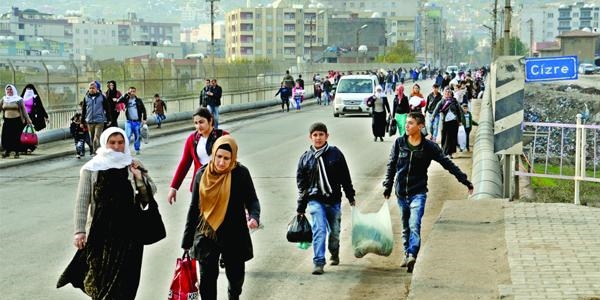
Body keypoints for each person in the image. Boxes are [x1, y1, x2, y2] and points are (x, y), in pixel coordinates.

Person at [57, 127, 157, 299]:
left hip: (129, 236)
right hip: (100, 234)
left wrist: (139, 177)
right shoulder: (91, 168)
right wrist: (79, 231)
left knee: (127, 282)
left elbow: (149, 196)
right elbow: (82, 201)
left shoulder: (132, 164)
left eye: (120, 142)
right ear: (105, 143)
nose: (117, 147)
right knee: (100, 281)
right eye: (112, 143)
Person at [383, 112, 473, 273]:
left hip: (418, 192)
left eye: (410, 123)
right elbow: (391, 165)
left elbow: (447, 163)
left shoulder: (429, 147)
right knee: (405, 226)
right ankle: (406, 253)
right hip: (401, 192)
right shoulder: (399, 143)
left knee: (414, 224)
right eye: (407, 123)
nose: (407, 126)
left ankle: (412, 254)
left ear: (420, 126)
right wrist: (388, 186)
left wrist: (464, 180)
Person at [181, 136, 260, 300]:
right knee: (207, 280)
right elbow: (193, 208)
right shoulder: (202, 174)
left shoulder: (240, 173)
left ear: (233, 158)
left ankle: (233, 296)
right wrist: (187, 242)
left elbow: (252, 199)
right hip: (207, 233)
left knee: (236, 277)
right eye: (219, 157)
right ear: (213, 154)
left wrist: (254, 217)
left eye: (226, 158)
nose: (222, 162)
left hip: (234, 232)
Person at [296, 122, 356, 275]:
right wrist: (301, 207)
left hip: (334, 200)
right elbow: (301, 184)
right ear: (310, 137)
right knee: (319, 229)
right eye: (315, 135)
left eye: (321, 134)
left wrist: (350, 196)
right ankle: (319, 262)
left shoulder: (336, 154)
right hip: (315, 200)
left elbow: (345, 177)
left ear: (327, 136)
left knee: (334, 232)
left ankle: (334, 252)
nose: (318, 138)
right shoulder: (305, 158)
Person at [167, 107, 228, 205]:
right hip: (200, 187)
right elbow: (184, 164)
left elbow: (231, 162)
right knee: (197, 218)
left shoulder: (224, 137)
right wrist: (174, 188)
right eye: (196, 123)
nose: (198, 126)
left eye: (201, 122)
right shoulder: (192, 139)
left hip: (220, 186)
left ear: (210, 120)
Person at [81, 81, 112, 155]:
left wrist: (109, 119)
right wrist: (82, 121)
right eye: (90, 88)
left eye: (93, 88)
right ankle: (98, 150)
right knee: (92, 139)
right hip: (89, 121)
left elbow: (107, 108)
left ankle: (96, 153)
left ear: (97, 89)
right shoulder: (86, 98)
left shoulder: (102, 97)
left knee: (96, 138)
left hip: (99, 121)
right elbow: (83, 110)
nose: (91, 89)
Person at [1, 84, 32, 158]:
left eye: (10, 89)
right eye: (8, 90)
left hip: (16, 121)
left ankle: (16, 152)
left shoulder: (18, 99)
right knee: (6, 136)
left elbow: (24, 110)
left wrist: (28, 119)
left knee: (16, 137)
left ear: (13, 90)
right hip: (7, 121)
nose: (9, 91)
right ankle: (7, 151)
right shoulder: (4, 99)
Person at [431, 87, 463, 158]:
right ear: (444, 93)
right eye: (446, 92)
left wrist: (460, 121)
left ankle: (450, 153)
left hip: (454, 122)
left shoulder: (454, 101)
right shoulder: (442, 101)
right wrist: (432, 117)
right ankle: (445, 152)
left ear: (451, 93)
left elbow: (459, 111)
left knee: (453, 137)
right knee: (446, 137)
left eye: (449, 92)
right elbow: (436, 109)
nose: (448, 94)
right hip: (445, 122)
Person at [118, 86, 147, 155]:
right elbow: (119, 101)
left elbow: (144, 110)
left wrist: (144, 119)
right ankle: (125, 150)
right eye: (131, 91)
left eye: (133, 91)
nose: (132, 93)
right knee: (127, 135)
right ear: (129, 92)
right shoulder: (126, 100)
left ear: (135, 92)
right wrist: (126, 94)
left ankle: (137, 149)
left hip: (137, 122)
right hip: (129, 122)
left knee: (137, 136)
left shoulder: (138, 100)